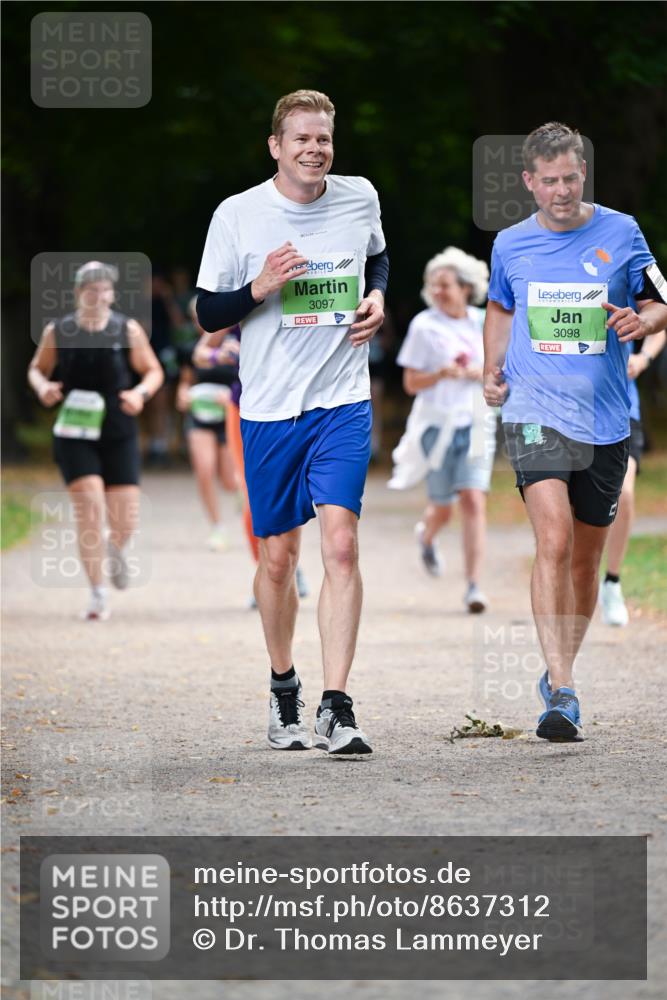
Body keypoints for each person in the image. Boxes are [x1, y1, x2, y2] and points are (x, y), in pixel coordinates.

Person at [196, 89, 388, 754]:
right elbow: (207, 312)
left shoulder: (359, 196)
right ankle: (284, 687)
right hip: (270, 408)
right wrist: (259, 287)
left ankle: (337, 705)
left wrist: (377, 295)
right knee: (278, 560)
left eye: (323, 139)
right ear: (275, 146)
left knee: (341, 545)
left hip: (342, 399)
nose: (314, 149)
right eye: (301, 138)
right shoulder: (238, 214)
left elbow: (377, 255)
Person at [483, 122, 667, 742]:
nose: (561, 191)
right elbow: (500, 307)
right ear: (529, 181)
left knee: (586, 561)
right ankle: (562, 690)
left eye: (570, 178)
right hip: (534, 409)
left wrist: (643, 323)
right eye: (548, 181)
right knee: (554, 539)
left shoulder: (623, 231)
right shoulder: (510, 243)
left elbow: (661, 301)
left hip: (606, 418)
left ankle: (560, 667)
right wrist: (490, 368)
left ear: (582, 173)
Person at [28, 261, 163, 620]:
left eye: (105, 289)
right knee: (89, 506)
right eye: (92, 289)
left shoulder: (126, 329)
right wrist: (43, 387)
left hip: (119, 428)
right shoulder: (59, 330)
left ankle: (113, 546)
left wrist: (140, 394)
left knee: (125, 520)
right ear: (78, 293)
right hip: (75, 430)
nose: (100, 295)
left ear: (112, 293)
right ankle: (98, 593)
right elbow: (36, 369)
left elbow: (153, 371)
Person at [391, 247, 494, 613]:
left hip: (478, 420)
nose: (437, 291)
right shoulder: (424, 326)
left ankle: (474, 586)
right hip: (436, 424)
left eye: (445, 285)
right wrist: (440, 373)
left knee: (473, 499)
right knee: (443, 508)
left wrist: (482, 374)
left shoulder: (485, 322)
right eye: (433, 285)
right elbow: (410, 383)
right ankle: (427, 535)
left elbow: (504, 371)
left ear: (466, 287)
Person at [599, 327, 665, 625]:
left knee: (623, 493)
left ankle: (612, 581)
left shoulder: (624, 294)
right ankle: (578, 576)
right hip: (572, 410)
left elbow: (659, 320)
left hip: (622, 410)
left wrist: (643, 358)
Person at [176, 308, 241, 551]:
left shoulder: (237, 341)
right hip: (200, 415)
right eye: (196, 318)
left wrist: (231, 397)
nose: (201, 322)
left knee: (229, 481)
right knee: (204, 469)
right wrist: (183, 395)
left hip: (228, 415)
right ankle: (217, 528)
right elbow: (185, 382)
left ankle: (241, 492)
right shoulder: (192, 349)